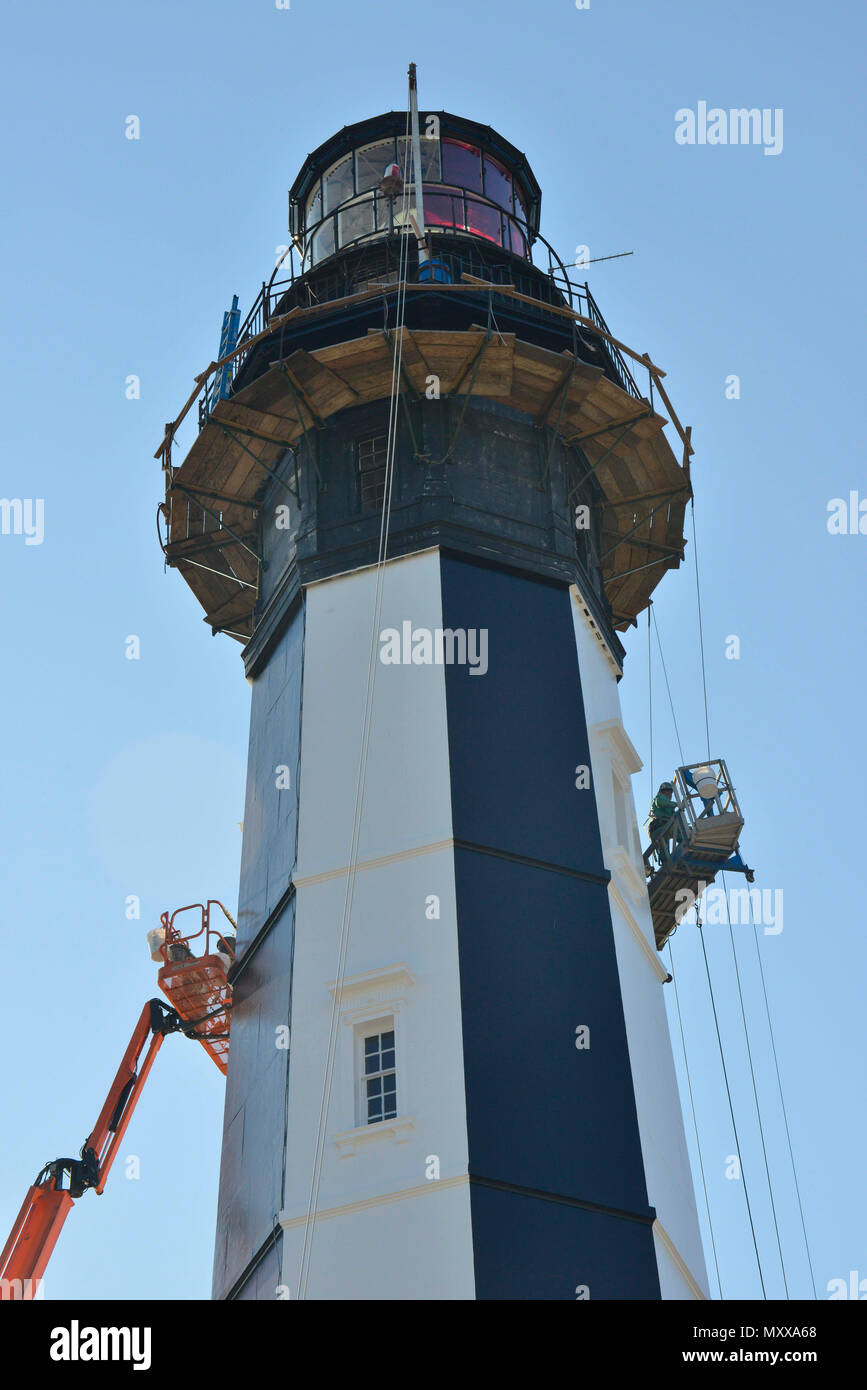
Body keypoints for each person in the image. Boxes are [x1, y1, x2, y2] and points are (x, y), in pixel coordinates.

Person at [648, 781, 680, 850]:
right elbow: (663, 802)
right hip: (660, 828)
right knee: (681, 832)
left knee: (665, 855)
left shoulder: (668, 808)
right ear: (661, 792)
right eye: (667, 791)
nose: (669, 794)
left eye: (670, 792)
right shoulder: (659, 798)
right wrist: (676, 804)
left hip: (660, 830)